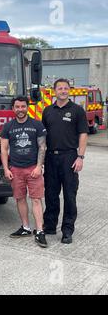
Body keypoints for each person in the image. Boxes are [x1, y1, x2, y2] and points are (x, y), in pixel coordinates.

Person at [42, 78, 88, 244]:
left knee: (69, 195)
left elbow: (83, 134)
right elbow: (42, 138)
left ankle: (67, 230)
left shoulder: (77, 110)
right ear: (55, 91)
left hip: (69, 156)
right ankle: (49, 225)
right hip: (50, 157)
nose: (63, 91)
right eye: (60, 88)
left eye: (65, 88)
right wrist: (40, 160)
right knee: (51, 193)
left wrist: (80, 157)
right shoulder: (47, 110)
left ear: (70, 90)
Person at [0, 96, 48, 248]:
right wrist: (6, 169)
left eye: (23, 106)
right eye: (17, 107)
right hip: (16, 169)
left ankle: (40, 231)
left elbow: (42, 147)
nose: (20, 109)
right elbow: (3, 149)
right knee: (20, 199)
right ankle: (26, 228)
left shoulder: (37, 124)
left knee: (36, 199)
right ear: (13, 109)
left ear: (27, 107)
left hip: (33, 168)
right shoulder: (8, 127)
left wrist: (39, 166)